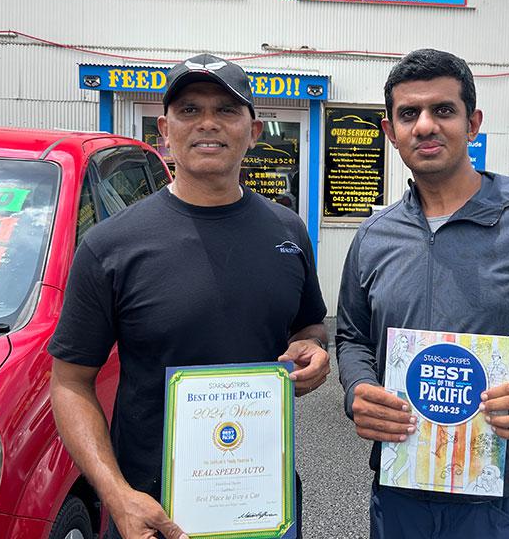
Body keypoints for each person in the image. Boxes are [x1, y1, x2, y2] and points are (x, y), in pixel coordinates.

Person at [335, 48, 509, 539]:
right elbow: (351, 335)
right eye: (409, 114)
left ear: (473, 124)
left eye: (443, 110)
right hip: (401, 484)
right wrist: (357, 389)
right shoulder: (374, 235)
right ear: (391, 131)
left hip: (497, 492)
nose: (425, 125)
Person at [48, 53, 330, 539]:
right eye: (190, 110)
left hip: (262, 503)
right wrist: (117, 496)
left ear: (254, 131)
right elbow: (70, 383)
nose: (208, 124)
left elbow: (308, 326)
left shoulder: (288, 232)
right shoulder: (111, 246)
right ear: (164, 130)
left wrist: (313, 348)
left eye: (226, 110)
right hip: (152, 512)